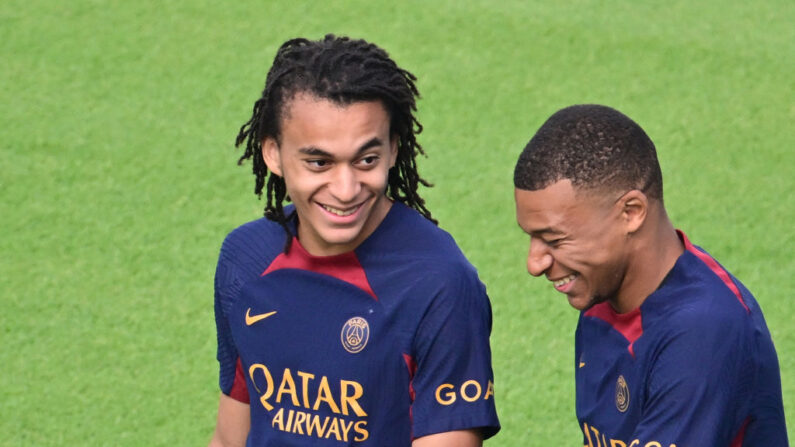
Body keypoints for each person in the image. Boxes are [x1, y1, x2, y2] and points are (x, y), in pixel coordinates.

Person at [209, 35, 499, 447]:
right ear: (273, 154)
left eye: (366, 160)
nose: (346, 190)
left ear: (394, 150)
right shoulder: (247, 259)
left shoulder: (440, 284)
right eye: (319, 162)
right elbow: (228, 438)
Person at [513, 104, 787, 446]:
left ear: (631, 213)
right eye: (532, 237)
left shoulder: (704, 330)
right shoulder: (602, 296)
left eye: (554, 240)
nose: (534, 263)